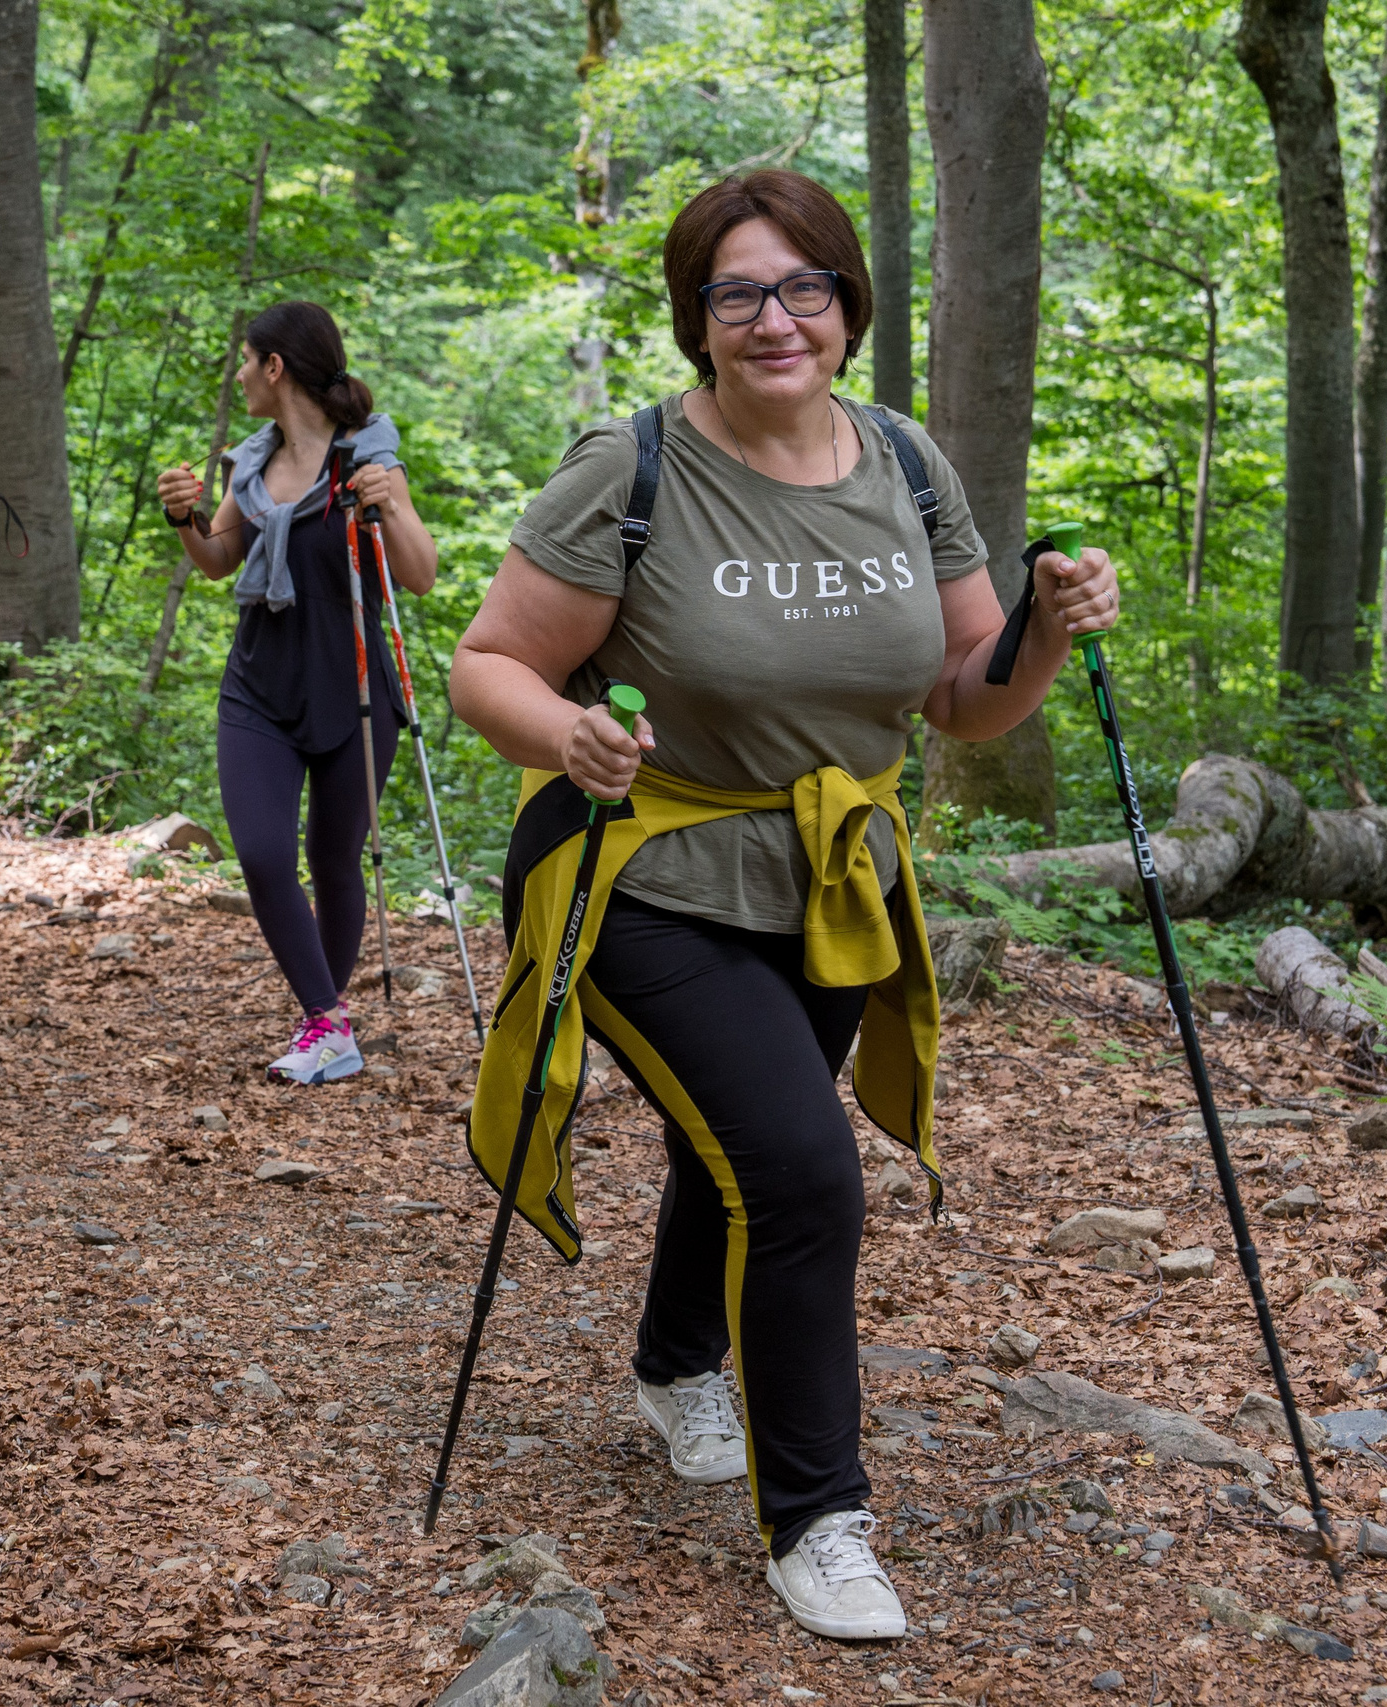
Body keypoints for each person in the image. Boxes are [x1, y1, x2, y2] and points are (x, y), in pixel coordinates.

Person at [447, 171, 1118, 1640]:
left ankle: (680, 1357)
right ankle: (819, 1517)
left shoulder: (901, 460)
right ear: (697, 316)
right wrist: (565, 734)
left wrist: (1046, 635)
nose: (774, 318)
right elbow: (488, 661)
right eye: (739, 292)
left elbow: (963, 697)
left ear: (847, 301)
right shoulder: (627, 471)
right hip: (641, 869)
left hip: (827, 877)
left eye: (803, 286)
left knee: (739, 1137)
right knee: (806, 1166)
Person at [155, 301, 438, 1086]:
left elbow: (418, 575)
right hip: (259, 685)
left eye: (247, 360)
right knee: (266, 855)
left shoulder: (368, 459)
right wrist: (183, 514)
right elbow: (216, 559)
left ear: (275, 366)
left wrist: (392, 505)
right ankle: (328, 1019)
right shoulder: (249, 466)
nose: (241, 374)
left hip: (352, 684)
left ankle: (322, 1025)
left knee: (334, 859)